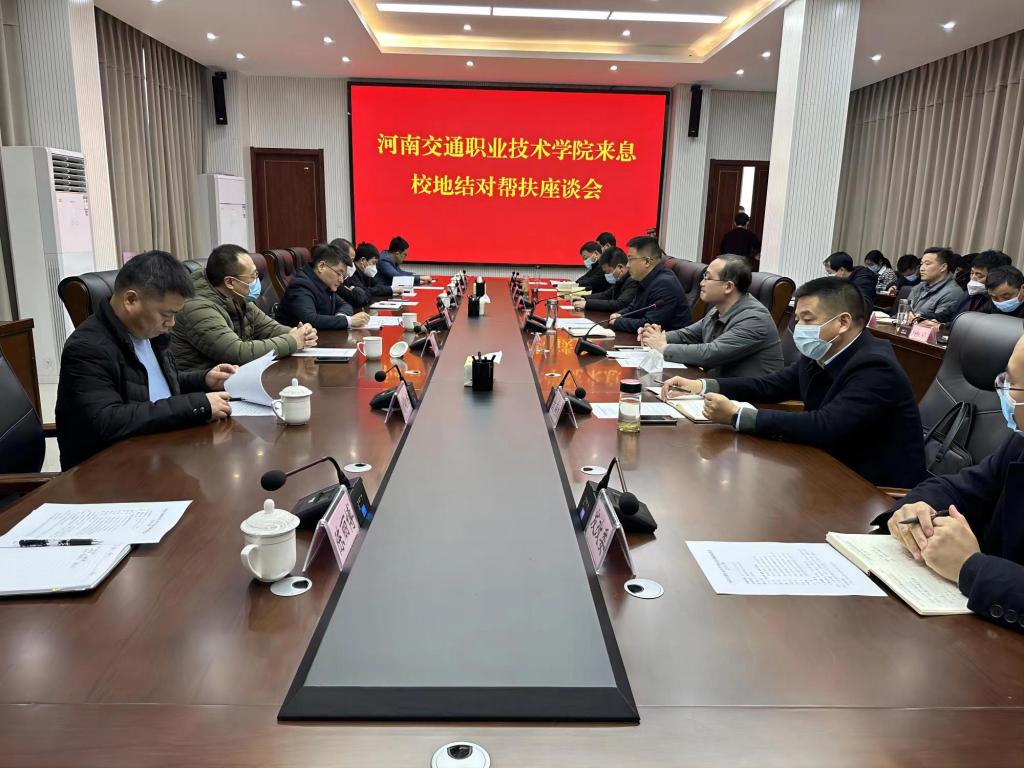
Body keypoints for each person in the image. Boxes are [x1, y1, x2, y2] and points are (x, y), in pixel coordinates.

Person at [661, 277, 926, 488]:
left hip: (871, 487)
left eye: (808, 319)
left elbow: (827, 425)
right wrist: (702, 386)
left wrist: (736, 415)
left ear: (843, 322)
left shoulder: (875, 366)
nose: (799, 327)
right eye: (797, 319)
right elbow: (771, 385)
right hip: (826, 466)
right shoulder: (822, 351)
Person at [884, 334, 1024, 633]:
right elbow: (961, 487)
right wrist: (916, 507)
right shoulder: (1019, 443)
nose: (1003, 390)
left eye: (1012, 383)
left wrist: (969, 566)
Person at [55, 251, 235, 469]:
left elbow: (153, 384)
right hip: (110, 470)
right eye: (166, 314)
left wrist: (205, 379)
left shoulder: (148, 332)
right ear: (131, 300)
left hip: (159, 450)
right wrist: (196, 405)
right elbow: (106, 420)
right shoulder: (87, 348)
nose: (171, 323)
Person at [171, 244, 317, 370]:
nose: (257, 280)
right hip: (204, 385)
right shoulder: (197, 308)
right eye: (253, 276)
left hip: (234, 375)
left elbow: (268, 328)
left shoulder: (236, 296)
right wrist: (293, 341)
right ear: (230, 282)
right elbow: (239, 352)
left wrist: (300, 333)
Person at [637, 254, 784, 378]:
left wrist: (663, 347)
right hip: (719, 388)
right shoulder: (717, 310)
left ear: (728, 287)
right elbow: (687, 335)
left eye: (707, 278)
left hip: (749, 398)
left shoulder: (755, 319)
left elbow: (709, 353)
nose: (701, 283)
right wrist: (654, 335)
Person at [608, 236, 691, 333]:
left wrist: (618, 322)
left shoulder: (664, 284)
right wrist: (619, 314)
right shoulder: (646, 278)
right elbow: (634, 308)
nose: (627, 265)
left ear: (647, 262)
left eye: (630, 259)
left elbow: (650, 324)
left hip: (671, 340)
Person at [277, 243, 370, 330]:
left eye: (343, 276)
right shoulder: (301, 285)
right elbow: (309, 320)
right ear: (321, 266)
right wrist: (348, 321)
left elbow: (345, 305)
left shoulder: (325, 283)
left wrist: (340, 316)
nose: (341, 280)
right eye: (339, 273)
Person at [907, 247, 964, 325]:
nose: (921, 269)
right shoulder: (919, 286)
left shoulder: (953, 292)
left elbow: (933, 324)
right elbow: (904, 313)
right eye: (921, 264)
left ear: (943, 267)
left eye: (927, 264)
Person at [571, 247, 637, 313]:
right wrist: (584, 298)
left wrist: (587, 304)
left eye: (608, 272)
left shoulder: (632, 280)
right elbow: (606, 295)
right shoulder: (620, 279)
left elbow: (619, 304)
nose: (606, 275)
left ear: (620, 267)